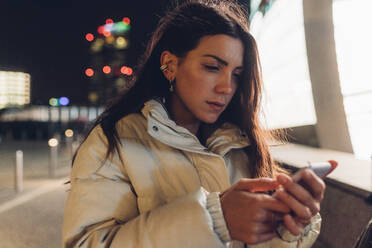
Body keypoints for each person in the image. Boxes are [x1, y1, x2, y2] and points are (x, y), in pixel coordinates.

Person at [63, 0, 325, 247]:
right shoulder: (113, 142)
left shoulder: (242, 144)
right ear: (170, 65)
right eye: (212, 67)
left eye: (236, 75)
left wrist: (287, 225)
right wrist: (215, 219)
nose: (226, 87)